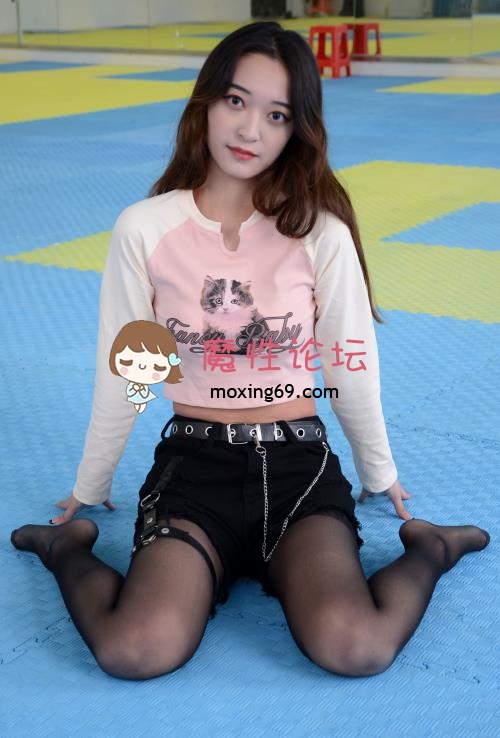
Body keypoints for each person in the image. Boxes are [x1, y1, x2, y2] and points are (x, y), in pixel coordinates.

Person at [11, 21, 489, 681]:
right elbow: (126, 371)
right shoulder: (144, 228)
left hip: (297, 467)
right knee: (134, 650)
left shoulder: (319, 232)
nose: (249, 129)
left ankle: (430, 548)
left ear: (297, 129)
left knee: (355, 647)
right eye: (236, 101)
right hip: (194, 468)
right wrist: (90, 485)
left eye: (276, 114)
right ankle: (66, 547)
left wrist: (379, 473)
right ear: (206, 102)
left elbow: (349, 361)